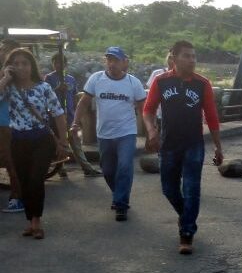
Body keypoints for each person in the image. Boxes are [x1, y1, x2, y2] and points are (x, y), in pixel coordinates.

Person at [143, 40, 224, 255]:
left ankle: (187, 233)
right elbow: (148, 110)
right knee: (168, 189)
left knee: (191, 188)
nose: (192, 60)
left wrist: (218, 146)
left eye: (194, 56)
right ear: (174, 58)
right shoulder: (161, 82)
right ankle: (186, 215)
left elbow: (212, 116)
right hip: (168, 144)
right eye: (187, 56)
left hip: (193, 144)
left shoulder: (202, 84)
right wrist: (151, 131)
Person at [0, 48, 68, 239]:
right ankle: (31, 221)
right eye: (17, 64)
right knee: (23, 181)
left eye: (25, 63)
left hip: (41, 140)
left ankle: (37, 221)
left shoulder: (43, 88)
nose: (21, 67)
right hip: (18, 141)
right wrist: (5, 78)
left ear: (32, 66)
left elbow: (58, 114)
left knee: (36, 179)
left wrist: (63, 141)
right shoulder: (7, 88)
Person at [72, 47, 146, 222]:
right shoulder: (96, 79)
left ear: (124, 62)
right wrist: (75, 122)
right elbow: (83, 103)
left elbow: (144, 109)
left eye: (115, 60)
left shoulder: (133, 83)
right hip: (104, 134)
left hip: (126, 133)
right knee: (108, 170)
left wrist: (151, 131)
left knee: (125, 166)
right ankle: (118, 194)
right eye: (109, 60)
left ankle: (121, 204)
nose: (111, 64)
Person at [45, 53, 102, 177]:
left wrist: (78, 116)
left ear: (65, 64)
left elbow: (75, 97)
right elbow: (44, 96)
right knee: (59, 142)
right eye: (56, 63)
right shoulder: (48, 78)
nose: (58, 65)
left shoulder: (70, 79)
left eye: (60, 63)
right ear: (53, 64)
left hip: (70, 116)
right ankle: (60, 168)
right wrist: (57, 89)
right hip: (55, 117)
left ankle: (87, 168)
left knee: (76, 143)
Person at [0, 39, 25, 213]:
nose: (2, 52)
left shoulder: (14, 74)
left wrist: (5, 78)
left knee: (10, 160)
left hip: (7, 123)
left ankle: (17, 196)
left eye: (5, 49)